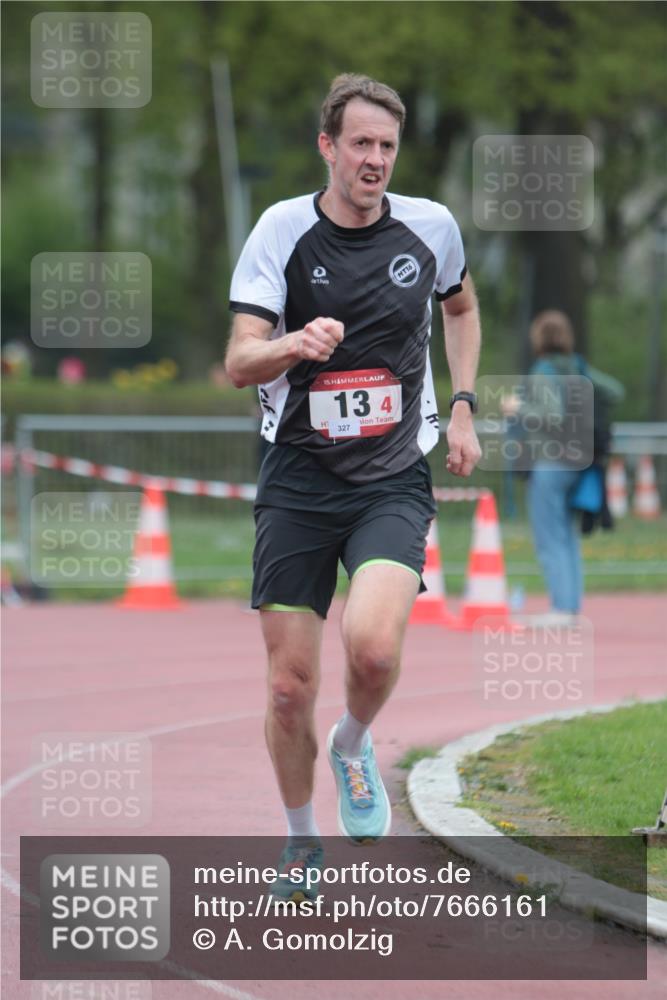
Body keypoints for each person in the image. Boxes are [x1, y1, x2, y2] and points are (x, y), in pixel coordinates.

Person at [225, 74, 481, 894]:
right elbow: (238, 360)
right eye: (360, 143)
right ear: (327, 147)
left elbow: (461, 310)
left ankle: (351, 743)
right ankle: (301, 845)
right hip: (297, 480)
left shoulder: (430, 227)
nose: (374, 159)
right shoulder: (281, 230)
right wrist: (294, 343)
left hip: (390, 477)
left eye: (386, 146)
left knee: (371, 649)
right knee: (286, 688)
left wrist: (463, 408)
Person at [503, 310, 624, 625]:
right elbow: (615, 391)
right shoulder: (578, 367)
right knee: (567, 537)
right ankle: (570, 607)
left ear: (538, 338)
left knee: (549, 537)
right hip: (578, 461)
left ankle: (560, 608)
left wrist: (518, 408)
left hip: (550, 461)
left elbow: (551, 415)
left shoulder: (542, 371)